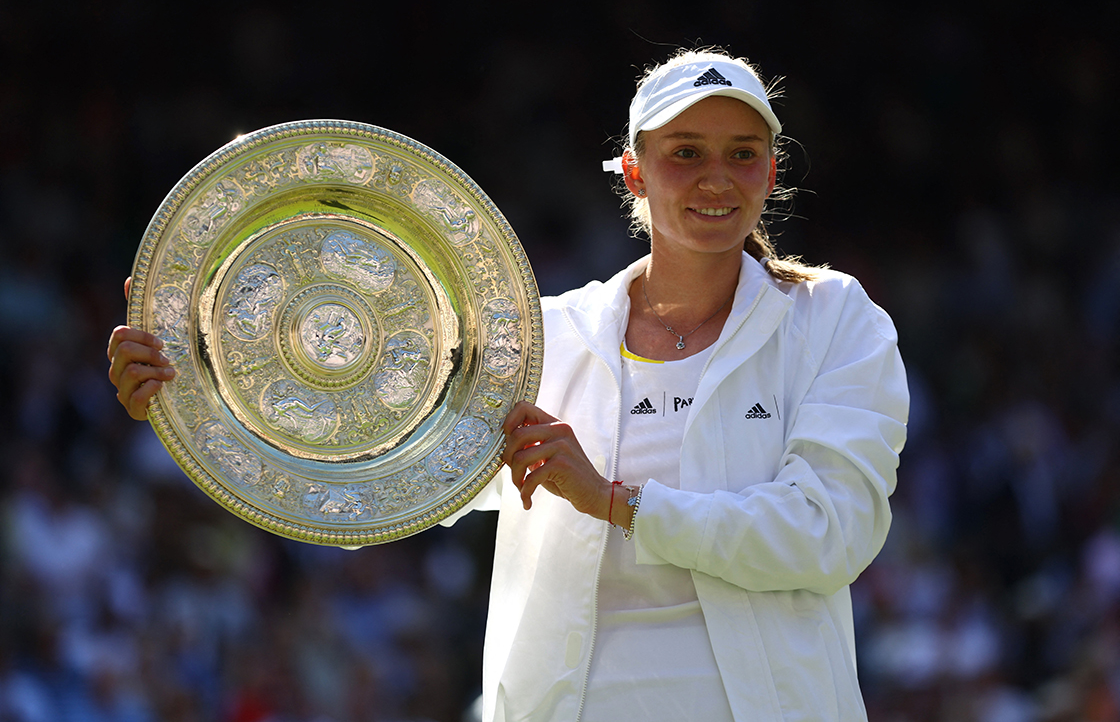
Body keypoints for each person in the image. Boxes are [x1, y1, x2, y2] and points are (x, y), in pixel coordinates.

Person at [108, 48, 909, 721]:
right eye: (686, 151)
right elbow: (387, 487)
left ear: (771, 173)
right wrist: (194, 392)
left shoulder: (832, 319)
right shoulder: (546, 336)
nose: (716, 176)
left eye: (742, 152)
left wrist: (616, 501)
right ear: (633, 172)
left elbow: (827, 530)